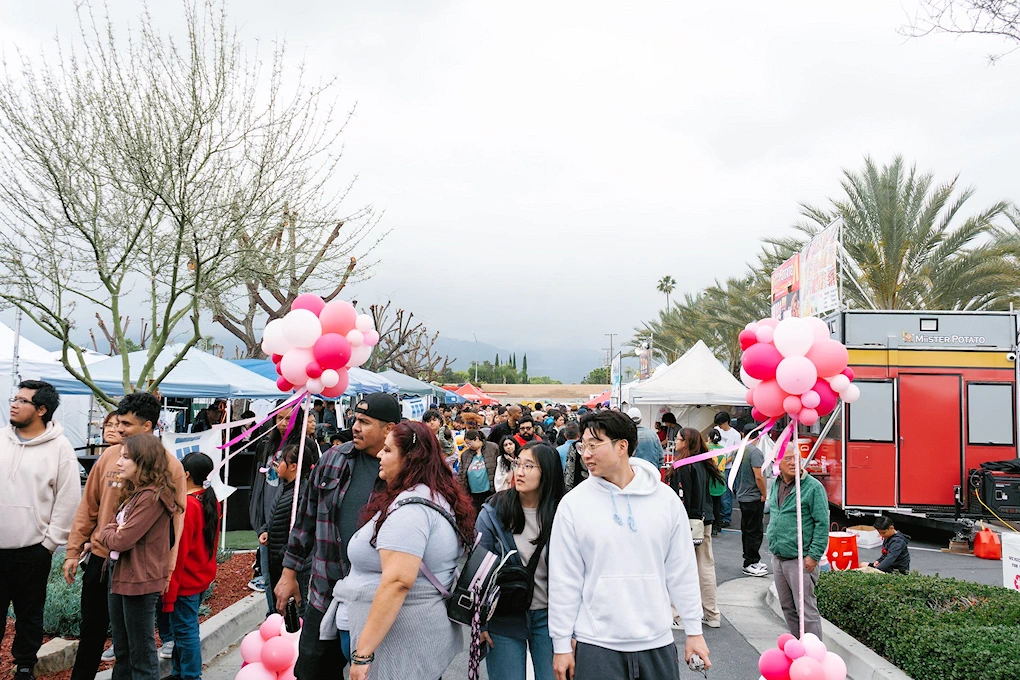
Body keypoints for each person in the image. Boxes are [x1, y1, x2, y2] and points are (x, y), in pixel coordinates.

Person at [549, 411, 710, 680]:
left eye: (593, 445)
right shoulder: (573, 505)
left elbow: (681, 570)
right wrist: (561, 644)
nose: (585, 454)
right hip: (596, 644)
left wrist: (694, 630)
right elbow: (565, 580)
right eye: (582, 446)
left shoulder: (665, 500)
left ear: (622, 446)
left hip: (657, 642)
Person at [336, 421, 475, 680]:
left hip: (400, 645)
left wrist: (363, 653)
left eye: (388, 451)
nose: (379, 455)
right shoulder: (429, 496)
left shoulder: (411, 511)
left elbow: (397, 582)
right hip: (406, 638)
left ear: (410, 459)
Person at [275, 393, 400, 680]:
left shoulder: (403, 472)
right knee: (311, 672)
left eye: (365, 422)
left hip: (376, 601)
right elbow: (305, 520)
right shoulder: (333, 459)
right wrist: (288, 573)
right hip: (325, 592)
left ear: (389, 429)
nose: (355, 427)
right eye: (356, 419)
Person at [64, 392, 187, 679]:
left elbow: (175, 528)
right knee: (92, 632)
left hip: (138, 570)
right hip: (100, 560)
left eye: (126, 425)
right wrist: (72, 551)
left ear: (147, 426)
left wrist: (167, 570)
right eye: (117, 423)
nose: (118, 430)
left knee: (135, 645)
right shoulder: (110, 456)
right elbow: (88, 507)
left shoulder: (171, 467)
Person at [0, 381, 81, 680]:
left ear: (42, 409)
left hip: (32, 549)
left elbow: (68, 498)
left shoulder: (60, 448)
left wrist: (49, 544)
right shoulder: (0, 439)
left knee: (29, 614)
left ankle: (24, 666)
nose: (14, 404)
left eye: (22, 401)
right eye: (14, 398)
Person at [478, 442, 565, 680]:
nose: (520, 471)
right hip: (504, 615)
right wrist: (481, 623)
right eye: (518, 464)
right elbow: (479, 569)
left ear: (547, 472)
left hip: (551, 618)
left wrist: (575, 629)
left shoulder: (564, 513)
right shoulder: (494, 510)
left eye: (529, 466)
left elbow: (579, 573)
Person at [100, 434, 181, 680]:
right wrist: (111, 531)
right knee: (124, 650)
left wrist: (110, 532)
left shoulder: (152, 497)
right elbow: (113, 529)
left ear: (143, 461)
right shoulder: (138, 494)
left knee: (141, 653)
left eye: (126, 457)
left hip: (139, 581)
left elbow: (120, 538)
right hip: (122, 575)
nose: (119, 463)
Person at [164, 453, 220, 680]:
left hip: (185, 580)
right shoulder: (208, 500)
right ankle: (181, 672)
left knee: (185, 631)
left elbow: (179, 553)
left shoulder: (188, 507)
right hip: (199, 576)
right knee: (184, 630)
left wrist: (169, 590)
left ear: (185, 474)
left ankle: (190, 675)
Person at [766, 443, 830, 639]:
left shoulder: (812, 487)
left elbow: (822, 523)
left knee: (806, 610)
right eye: (788, 459)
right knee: (787, 606)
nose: (794, 463)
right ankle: (799, 646)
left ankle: (814, 652)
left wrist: (813, 556)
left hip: (800, 559)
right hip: (779, 557)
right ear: (777, 462)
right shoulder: (777, 483)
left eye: (797, 458)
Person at [669, 428, 724, 629]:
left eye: (678, 438)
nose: (675, 441)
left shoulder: (683, 465)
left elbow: (682, 497)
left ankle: (677, 615)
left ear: (686, 442)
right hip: (704, 520)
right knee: (705, 567)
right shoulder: (703, 462)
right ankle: (711, 614)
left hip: (687, 522)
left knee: (680, 568)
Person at [263, 445, 315, 612]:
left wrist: (285, 553)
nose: (277, 464)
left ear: (294, 466)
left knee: (295, 611)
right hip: (277, 562)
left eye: (281, 461)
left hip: (294, 567)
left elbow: (304, 530)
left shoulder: (302, 493)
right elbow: (274, 517)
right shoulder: (284, 488)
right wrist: (265, 530)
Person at [734, 427, 768, 577]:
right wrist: (764, 493)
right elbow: (759, 476)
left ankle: (750, 560)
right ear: (758, 436)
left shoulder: (740, 451)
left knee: (747, 530)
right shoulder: (755, 452)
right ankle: (751, 562)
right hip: (753, 497)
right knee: (755, 531)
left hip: (742, 495)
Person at [458, 429, 498, 511]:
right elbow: (461, 474)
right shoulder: (465, 455)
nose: (469, 446)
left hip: (490, 491)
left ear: (476, 438)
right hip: (473, 492)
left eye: (470, 443)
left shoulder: (492, 448)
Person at [712, 412, 739, 528]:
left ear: (726, 422)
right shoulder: (716, 429)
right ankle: (717, 516)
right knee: (714, 493)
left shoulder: (735, 435)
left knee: (725, 494)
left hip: (727, 468)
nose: (720, 426)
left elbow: (735, 454)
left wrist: (723, 463)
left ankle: (726, 517)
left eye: (721, 424)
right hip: (714, 467)